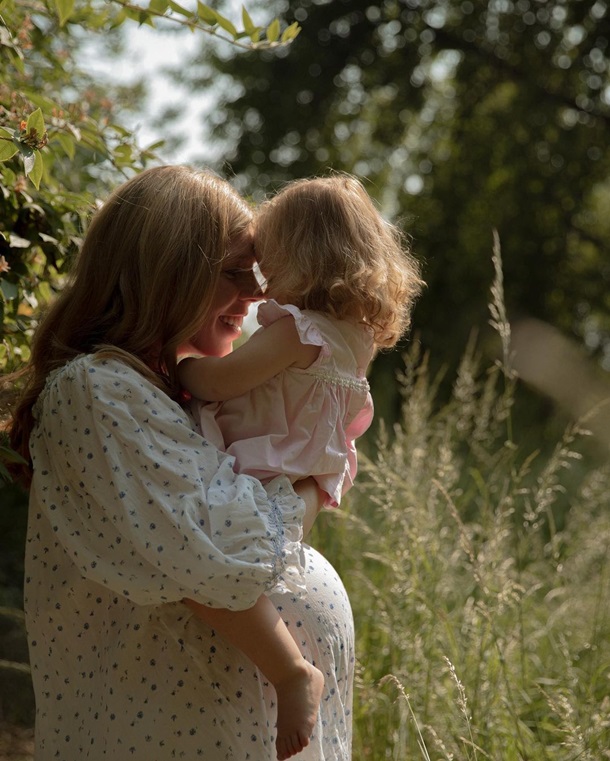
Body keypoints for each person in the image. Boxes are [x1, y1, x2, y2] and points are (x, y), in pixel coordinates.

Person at [7, 166, 355, 761]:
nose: (258, 294)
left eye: (258, 273)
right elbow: (223, 546)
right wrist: (313, 491)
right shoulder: (96, 391)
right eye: (234, 272)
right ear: (168, 271)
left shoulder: (161, 391)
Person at [178, 174, 424, 758]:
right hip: (305, 481)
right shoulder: (354, 337)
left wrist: (175, 364)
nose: (260, 288)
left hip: (262, 473)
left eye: (266, 265)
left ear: (302, 259)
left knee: (206, 577)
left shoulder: (298, 332)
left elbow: (224, 380)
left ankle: (291, 672)